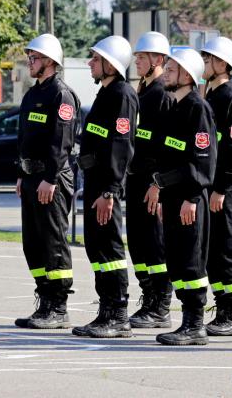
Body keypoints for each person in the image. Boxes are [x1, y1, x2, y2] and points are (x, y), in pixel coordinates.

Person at [145, 48, 216, 346]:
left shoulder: (198, 109)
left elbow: (202, 160)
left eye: (172, 69)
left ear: (187, 75)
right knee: (176, 259)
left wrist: (191, 198)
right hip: (172, 197)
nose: (166, 73)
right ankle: (187, 322)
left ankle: (195, 325)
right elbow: (168, 157)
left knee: (191, 261)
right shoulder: (174, 107)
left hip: (189, 200)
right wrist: (161, 192)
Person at [71, 35, 138, 339]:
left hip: (105, 187)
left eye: (96, 59)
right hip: (94, 182)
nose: (90, 63)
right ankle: (106, 311)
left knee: (110, 249)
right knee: (96, 248)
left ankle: (118, 315)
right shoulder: (106, 93)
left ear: (111, 64)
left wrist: (110, 190)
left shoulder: (122, 95)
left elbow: (121, 146)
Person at [14, 34, 80, 329]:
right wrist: (21, 174)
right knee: (33, 243)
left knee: (53, 242)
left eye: (35, 58)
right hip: (31, 178)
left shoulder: (60, 95)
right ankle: (44, 301)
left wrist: (50, 178)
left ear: (51, 61)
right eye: (29, 57)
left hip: (52, 179)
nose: (30, 62)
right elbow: (23, 138)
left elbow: (61, 141)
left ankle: (59, 307)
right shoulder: (32, 95)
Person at [200, 37, 232, 336]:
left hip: (227, 189)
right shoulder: (209, 97)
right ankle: (222, 309)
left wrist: (220, 188)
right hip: (211, 188)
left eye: (208, 59)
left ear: (222, 64)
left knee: (228, 250)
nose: (204, 64)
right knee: (212, 253)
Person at [125, 31, 175, 329]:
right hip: (135, 180)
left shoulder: (162, 94)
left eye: (142, 57)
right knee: (139, 245)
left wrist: (160, 185)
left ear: (158, 59)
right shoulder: (141, 92)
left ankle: (161, 306)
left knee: (155, 245)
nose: (138, 62)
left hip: (151, 183)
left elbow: (167, 147)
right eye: (137, 57)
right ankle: (149, 298)